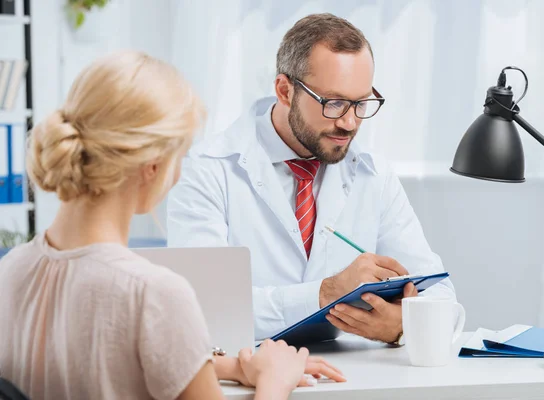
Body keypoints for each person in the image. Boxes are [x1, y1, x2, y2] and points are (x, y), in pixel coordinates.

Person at [0, 51, 344, 400]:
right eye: (179, 155)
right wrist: (275, 380)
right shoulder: (152, 294)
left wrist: (226, 365)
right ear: (152, 166)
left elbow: (84, 357)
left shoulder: (12, 269)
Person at [167, 13, 456, 344]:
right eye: (333, 103)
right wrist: (326, 293)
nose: (349, 122)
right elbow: (201, 309)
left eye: (361, 103)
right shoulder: (208, 169)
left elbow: (440, 293)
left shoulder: (374, 174)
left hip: (360, 382)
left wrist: (403, 326)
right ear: (285, 90)